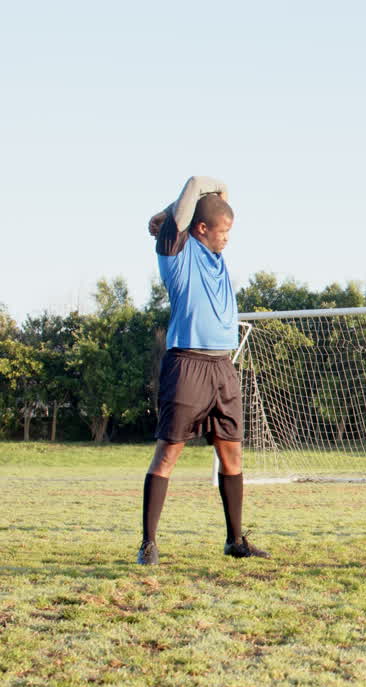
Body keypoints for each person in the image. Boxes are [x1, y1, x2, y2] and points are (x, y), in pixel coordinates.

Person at [137, 176, 269, 565]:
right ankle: (148, 543)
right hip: (188, 365)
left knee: (233, 456)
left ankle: (235, 541)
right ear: (200, 228)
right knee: (168, 454)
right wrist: (168, 214)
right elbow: (197, 182)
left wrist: (168, 210)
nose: (228, 237)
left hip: (222, 367)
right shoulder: (176, 251)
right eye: (223, 231)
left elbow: (219, 192)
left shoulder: (216, 254)